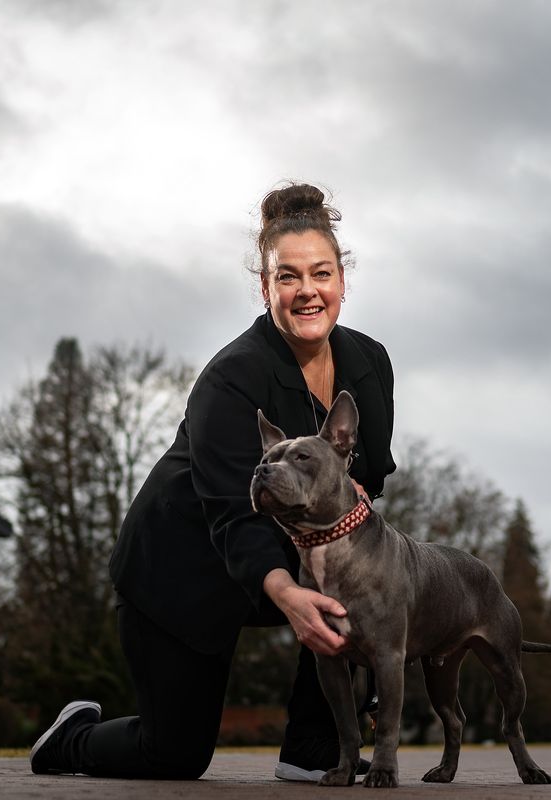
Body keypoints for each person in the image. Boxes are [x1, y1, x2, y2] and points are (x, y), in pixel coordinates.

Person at [28, 182, 396, 782]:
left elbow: (366, 480)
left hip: (288, 549)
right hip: (183, 565)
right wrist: (288, 595)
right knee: (173, 755)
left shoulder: (370, 362)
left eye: (322, 273)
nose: (308, 291)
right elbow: (235, 515)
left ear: (343, 280)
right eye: (289, 276)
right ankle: (72, 739)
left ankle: (314, 747)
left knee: (365, 572)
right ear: (265, 286)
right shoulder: (232, 377)